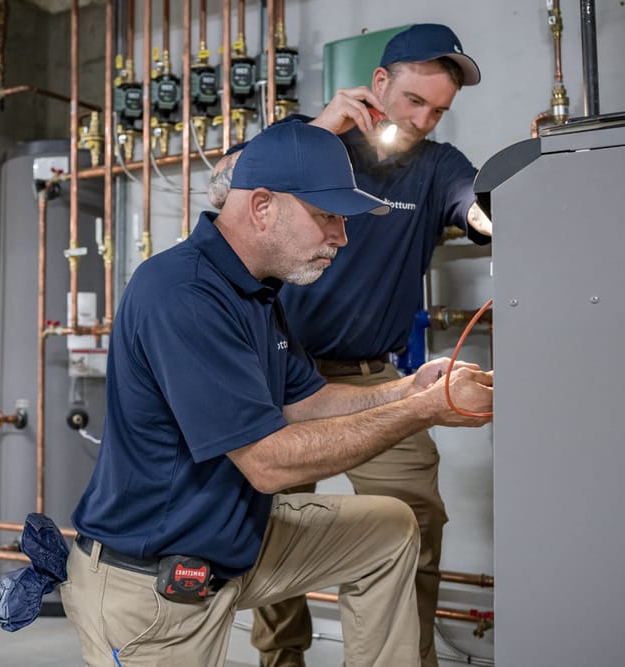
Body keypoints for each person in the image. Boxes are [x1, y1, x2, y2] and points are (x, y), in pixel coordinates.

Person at [61, 120, 494, 667]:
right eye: (326, 216)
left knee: (389, 529)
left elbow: (304, 402)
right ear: (262, 206)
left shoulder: (257, 291)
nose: (341, 236)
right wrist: (424, 412)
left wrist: (411, 388)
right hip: (154, 583)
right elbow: (267, 463)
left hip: (234, 543)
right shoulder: (183, 295)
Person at [207, 23, 492, 667]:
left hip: (373, 380)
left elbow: (474, 206)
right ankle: (283, 660)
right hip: (279, 376)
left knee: (416, 522)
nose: (423, 120)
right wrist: (316, 133)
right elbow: (222, 189)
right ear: (379, 84)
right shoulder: (309, 141)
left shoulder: (438, 167)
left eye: (439, 109)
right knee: (273, 526)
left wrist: (493, 211)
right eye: (414, 102)